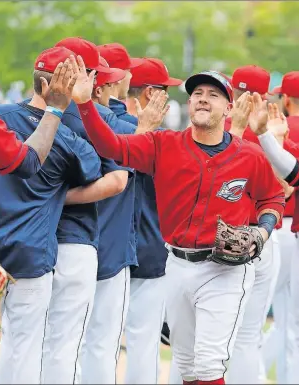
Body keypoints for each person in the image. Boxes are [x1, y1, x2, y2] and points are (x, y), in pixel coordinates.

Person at [71, 59, 286, 384]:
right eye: (197, 92)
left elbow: (273, 197)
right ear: (189, 104)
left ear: (228, 107)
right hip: (177, 264)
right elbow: (111, 146)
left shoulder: (248, 156)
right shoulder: (164, 144)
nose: (202, 98)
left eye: (213, 94)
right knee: (186, 364)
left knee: (210, 363)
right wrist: (84, 104)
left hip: (224, 269)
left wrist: (263, 229)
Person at [0, 47, 103, 385]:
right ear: (58, 88)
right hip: (32, 254)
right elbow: (101, 175)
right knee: (23, 349)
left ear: (37, 83)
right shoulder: (69, 140)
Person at [39, 45, 129, 385]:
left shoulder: (21, 112)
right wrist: (61, 197)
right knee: (65, 346)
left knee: (27, 342)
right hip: (74, 242)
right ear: (89, 76)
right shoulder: (104, 120)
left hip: (25, 240)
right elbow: (117, 181)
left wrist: (47, 199)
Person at [109, 56, 182, 384]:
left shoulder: (101, 126)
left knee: (96, 342)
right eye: (163, 90)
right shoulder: (163, 138)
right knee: (143, 342)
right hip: (151, 250)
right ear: (150, 92)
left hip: (104, 249)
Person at [224, 65, 281, 384]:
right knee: (247, 338)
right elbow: (285, 189)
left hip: (216, 237)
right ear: (264, 97)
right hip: (260, 232)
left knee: (200, 340)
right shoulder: (270, 135)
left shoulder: (212, 127)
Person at [247, 101, 299, 384]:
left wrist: (272, 137)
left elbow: (288, 181)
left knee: (277, 323)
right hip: (277, 229)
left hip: (272, 227)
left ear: (287, 100)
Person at [262, 72, 299, 384]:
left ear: (285, 100)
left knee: (258, 317)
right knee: (291, 324)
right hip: (295, 230)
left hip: (272, 228)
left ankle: (246, 373)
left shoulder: (271, 132)